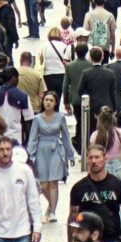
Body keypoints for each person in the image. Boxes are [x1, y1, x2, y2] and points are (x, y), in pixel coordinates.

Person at [71, 141, 121, 242]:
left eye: (97, 157)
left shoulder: (117, 185)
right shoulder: (78, 188)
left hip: (112, 240)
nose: (94, 161)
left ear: (105, 159)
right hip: (88, 241)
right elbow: (73, 217)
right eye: (90, 158)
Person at [27, 91, 75, 223]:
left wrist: (70, 155)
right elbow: (33, 137)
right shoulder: (37, 118)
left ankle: (53, 211)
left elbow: (66, 136)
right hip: (41, 149)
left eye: (51, 100)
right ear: (43, 102)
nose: (48, 102)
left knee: (53, 181)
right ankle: (50, 204)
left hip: (56, 149)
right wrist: (29, 155)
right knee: (43, 184)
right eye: (46, 100)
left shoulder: (60, 118)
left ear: (55, 103)